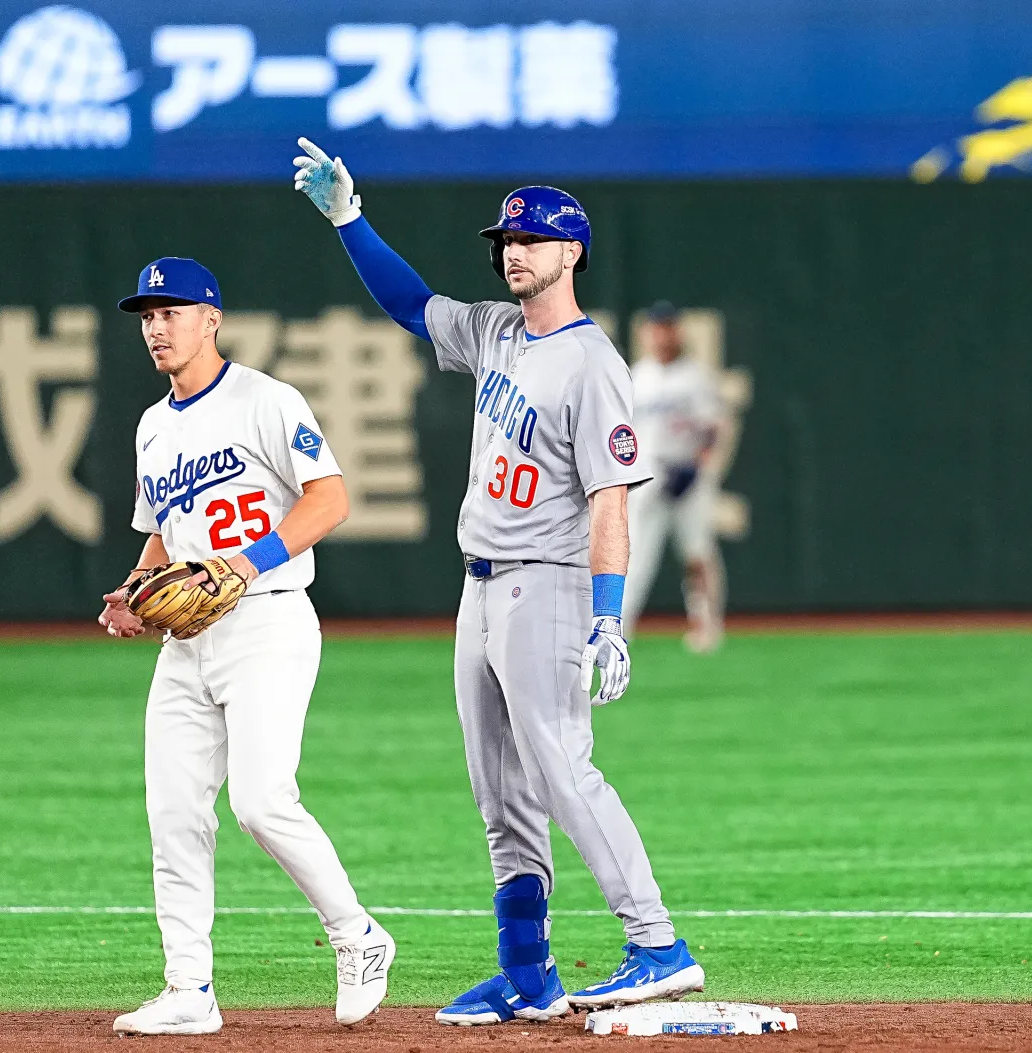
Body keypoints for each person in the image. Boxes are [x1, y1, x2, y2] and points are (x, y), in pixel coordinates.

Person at [292, 138, 704, 1025]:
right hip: (479, 585)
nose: (512, 250)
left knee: (562, 767)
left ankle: (658, 943)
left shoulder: (595, 364)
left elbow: (609, 502)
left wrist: (608, 618)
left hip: (549, 583)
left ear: (571, 254)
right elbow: (412, 305)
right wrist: (348, 220)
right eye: (505, 238)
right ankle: (528, 971)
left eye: (531, 238)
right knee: (500, 791)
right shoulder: (494, 331)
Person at [98, 257, 395, 1035]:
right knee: (173, 813)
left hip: (267, 619)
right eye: (147, 314)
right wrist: (134, 591)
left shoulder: (266, 399)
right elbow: (163, 533)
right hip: (188, 644)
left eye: (171, 310)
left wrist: (245, 561)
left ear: (211, 317)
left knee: (262, 801)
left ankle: (357, 933)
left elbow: (330, 498)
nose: (156, 326)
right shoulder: (153, 427)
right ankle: (189, 989)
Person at [624, 301, 726, 652]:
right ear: (646, 333)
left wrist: (697, 467)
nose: (661, 334)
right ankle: (619, 629)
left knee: (697, 552)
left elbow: (713, 430)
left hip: (688, 474)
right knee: (634, 557)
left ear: (676, 331)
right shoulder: (637, 375)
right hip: (648, 473)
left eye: (667, 326)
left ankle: (706, 625)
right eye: (655, 327)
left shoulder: (695, 377)